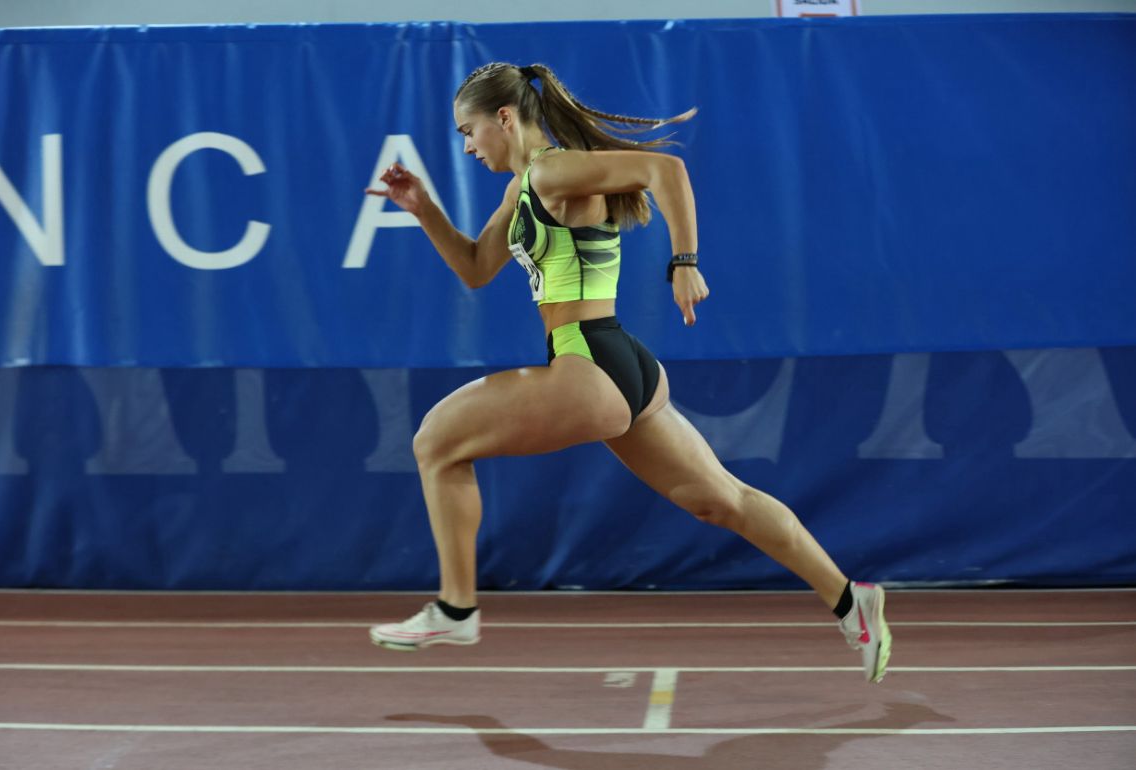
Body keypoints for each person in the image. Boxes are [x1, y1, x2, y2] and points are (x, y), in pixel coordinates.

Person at [364, 62, 891, 683]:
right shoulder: (522, 189)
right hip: (622, 365)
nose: (468, 146)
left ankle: (456, 608)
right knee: (720, 501)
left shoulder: (551, 170)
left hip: (588, 360)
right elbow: (478, 268)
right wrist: (423, 208)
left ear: (504, 118)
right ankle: (850, 599)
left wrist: (684, 261)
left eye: (468, 131)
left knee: (435, 441)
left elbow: (665, 169)